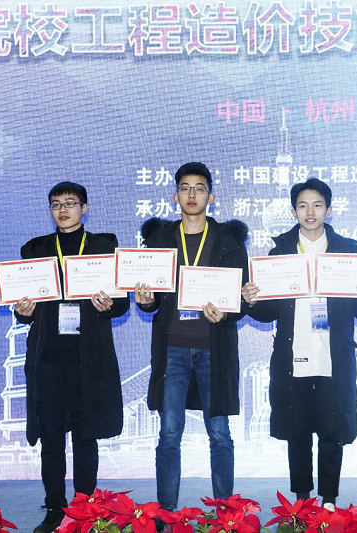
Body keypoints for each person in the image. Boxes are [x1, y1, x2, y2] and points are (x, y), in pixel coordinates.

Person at [241, 178, 357, 510]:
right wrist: (251, 300)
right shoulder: (279, 253)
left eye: (317, 205)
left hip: (332, 357)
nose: (310, 211)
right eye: (303, 205)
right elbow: (267, 312)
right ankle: (302, 499)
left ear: (328, 210)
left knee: (332, 431)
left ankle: (329, 499)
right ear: (294, 211)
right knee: (298, 432)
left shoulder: (347, 251)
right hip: (293, 356)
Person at [13, 182, 130, 533]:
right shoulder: (36, 250)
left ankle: (85, 507)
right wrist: (22, 311)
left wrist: (110, 305)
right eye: (56, 204)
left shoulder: (103, 247)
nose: (63, 210)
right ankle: (54, 507)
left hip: (87, 357)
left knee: (85, 435)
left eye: (70, 203)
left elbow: (121, 302)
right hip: (48, 356)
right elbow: (25, 306)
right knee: (50, 437)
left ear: (84, 208)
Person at [134, 162, 248, 515]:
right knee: (169, 434)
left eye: (199, 188)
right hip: (173, 350)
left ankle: (226, 514)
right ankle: (166, 512)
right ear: (176, 196)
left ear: (211, 197)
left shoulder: (228, 241)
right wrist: (146, 300)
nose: (192, 194)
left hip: (214, 349)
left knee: (220, 434)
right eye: (185, 188)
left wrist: (227, 313)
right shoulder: (159, 241)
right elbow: (152, 298)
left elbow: (243, 297)